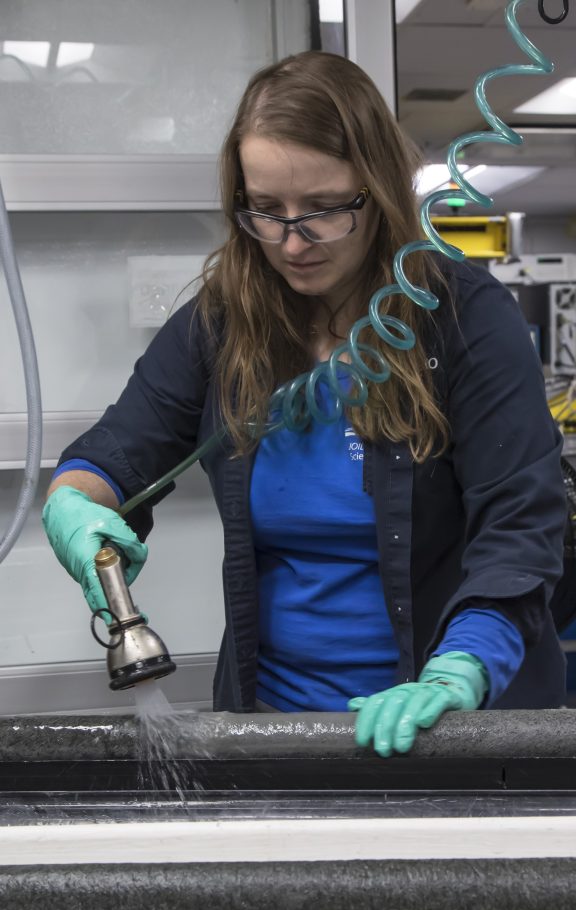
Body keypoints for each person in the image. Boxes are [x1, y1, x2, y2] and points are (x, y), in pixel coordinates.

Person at [42, 50, 567, 758]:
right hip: (274, 726)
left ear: (377, 189)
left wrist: (458, 673)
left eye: (323, 209)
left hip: (448, 725)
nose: (292, 242)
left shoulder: (465, 321)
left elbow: (520, 528)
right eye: (267, 211)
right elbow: (115, 453)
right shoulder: (222, 324)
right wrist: (74, 504)